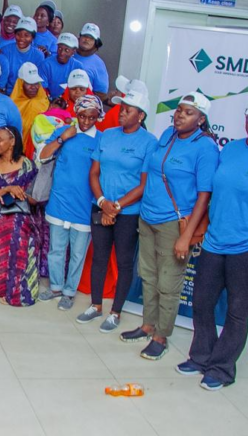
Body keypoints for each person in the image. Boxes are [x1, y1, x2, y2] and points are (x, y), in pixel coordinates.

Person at [175, 93, 248, 390]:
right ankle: (201, 356)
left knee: (236, 310)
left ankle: (221, 368)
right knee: (202, 301)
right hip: (215, 240)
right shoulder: (230, 149)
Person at [120, 92, 219, 361]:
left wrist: (186, 236)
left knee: (168, 283)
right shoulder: (167, 134)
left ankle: (161, 336)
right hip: (148, 217)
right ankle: (147, 325)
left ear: (201, 119)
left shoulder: (206, 148)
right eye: (178, 110)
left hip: (173, 224)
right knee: (148, 277)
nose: (179, 115)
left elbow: (204, 195)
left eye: (188, 112)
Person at [77, 89, 158, 332]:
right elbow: (94, 172)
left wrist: (117, 207)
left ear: (141, 115)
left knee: (123, 262)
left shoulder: (149, 142)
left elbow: (143, 184)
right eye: (121, 107)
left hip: (128, 212)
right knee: (99, 257)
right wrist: (102, 202)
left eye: (128, 109)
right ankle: (96, 305)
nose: (121, 112)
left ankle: (115, 312)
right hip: (101, 206)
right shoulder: (107, 135)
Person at [38, 95, 103, 310]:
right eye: (82, 116)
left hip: (85, 206)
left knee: (77, 253)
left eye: (91, 117)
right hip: (59, 201)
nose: (85, 121)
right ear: (76, 113)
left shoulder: (101, 140)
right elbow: (43, 156)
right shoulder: (64, 132)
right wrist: (62, 138)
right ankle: (55, 287)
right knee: (56, 249)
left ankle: (69, 292)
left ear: (98, 117)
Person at [0, 126, 39, 306]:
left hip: (21, 211)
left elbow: (36, 200)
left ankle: (15, 289)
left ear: (12, 142)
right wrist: (5, 190)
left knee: (17, 226)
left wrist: (21, 195)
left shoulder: (28, 167)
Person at [10, 62, 50, 155]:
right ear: (20, 84)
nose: (33, 87)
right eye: (29, 83)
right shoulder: (11, 106)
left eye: (36, 83)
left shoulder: (44, 102)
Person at [2, 17, 45, 96]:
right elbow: (3, 80)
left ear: (33, 37)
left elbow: (38, 82)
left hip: (29, 95)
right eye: (19, 34)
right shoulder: (6, 51)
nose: (21, 38)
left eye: (26, 35)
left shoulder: (38, 55)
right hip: (9, 94)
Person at [38, 33, 84, 99]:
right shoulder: (46, 64)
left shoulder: (78, 66)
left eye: (67, 50)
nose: (62, 53)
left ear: (73, 51)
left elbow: (82, 90)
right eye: (59, 48)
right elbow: (42, 89)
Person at [73, 23, 109, 99]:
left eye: (91, 38)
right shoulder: (67, 53)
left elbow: (101, 94)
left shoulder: (99, 64)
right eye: (85, 36)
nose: (87, 39)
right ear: (79, 37)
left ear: (96, 42)